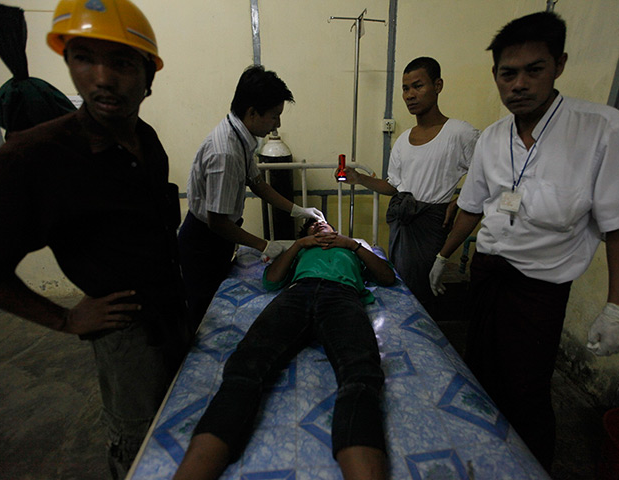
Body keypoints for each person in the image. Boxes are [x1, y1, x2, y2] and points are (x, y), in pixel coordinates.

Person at [0, 1, 191, 478]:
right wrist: (65, 318)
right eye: (85, 57)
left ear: (150, 75)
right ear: (68, 63)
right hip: (126, 334)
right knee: (139, 440)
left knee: (179, 421)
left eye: (123, 62)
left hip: (172, 311)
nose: (102, 77)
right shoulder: (36, 157)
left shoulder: (145, 141)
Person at [427, 12, 619, 470]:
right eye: (508, 74)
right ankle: (482, 459)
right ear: (496, 76)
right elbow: (472, 207)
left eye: (535, 69)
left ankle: (528, 466)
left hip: (539, 291)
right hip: (488, 274)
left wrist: (618, 307)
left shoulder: (603, 131)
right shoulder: (491, 139)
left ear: (559, 65)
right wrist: (443, 255)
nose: (519, 84)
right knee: (479, 376)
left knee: (526, 391)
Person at [174, 218, 395, 480]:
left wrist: (354, 246)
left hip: (342, 296)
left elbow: (387, 277)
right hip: (297, 294)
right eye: (312, 226)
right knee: (245, 365)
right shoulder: (301, 250)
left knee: (361, 373)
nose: (318, 226)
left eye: (324, 224)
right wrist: (299, 245)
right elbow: (272, 280)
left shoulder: (352, 249)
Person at [179, 65, 324, 329]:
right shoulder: (226, 152)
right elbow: (218, 222)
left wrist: (298, 211)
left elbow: (257, 184)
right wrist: (264, 245)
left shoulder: (242, 138)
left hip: (219, 236)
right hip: (204, 241)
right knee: (204, 317)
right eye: (274, 116)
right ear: (252, 112)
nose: (277, 124)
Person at [339, 57, 479, 321]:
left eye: (418, 86)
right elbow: (393, 186)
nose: (410, 95)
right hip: (402, 225)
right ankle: (406, 333)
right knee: (402, 285)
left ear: (438, 85)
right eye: (405, 88)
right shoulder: (403, 141)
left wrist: (460, 197)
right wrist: (358, 178)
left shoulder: (460, 133)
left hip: (430, 226)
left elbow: (484, 176)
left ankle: (427, 341)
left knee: (423, 291)